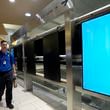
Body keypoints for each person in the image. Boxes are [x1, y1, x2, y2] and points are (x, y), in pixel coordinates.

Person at [0, 40, 16, 109]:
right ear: (1, 45)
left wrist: (14, 72)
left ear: (7, 46)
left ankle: (9, 103)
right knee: (1, 89)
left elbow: (13, 64)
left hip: (9, 73)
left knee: (9, 89)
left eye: (5, 45)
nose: (4, 46)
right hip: (0, 74)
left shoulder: (10, 54)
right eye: (3, 44)